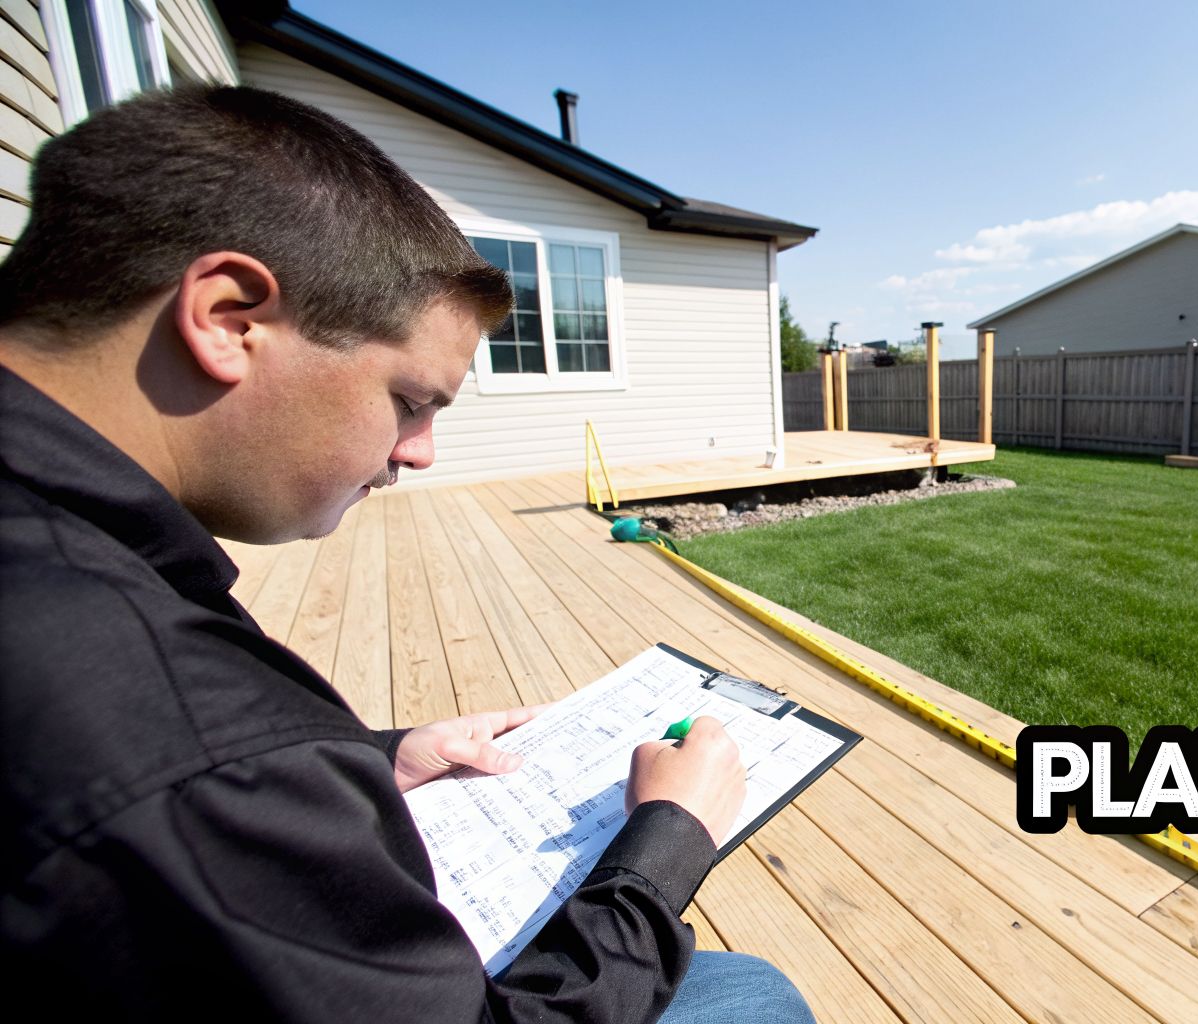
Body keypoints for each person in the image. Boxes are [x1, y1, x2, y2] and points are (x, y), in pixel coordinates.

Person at [0, 85, 813, 1023]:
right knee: (751, 993)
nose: (418, 451)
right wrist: (665, 845)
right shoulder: (183, 734)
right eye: (411, 401)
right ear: (228, 319)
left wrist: (371, 763)